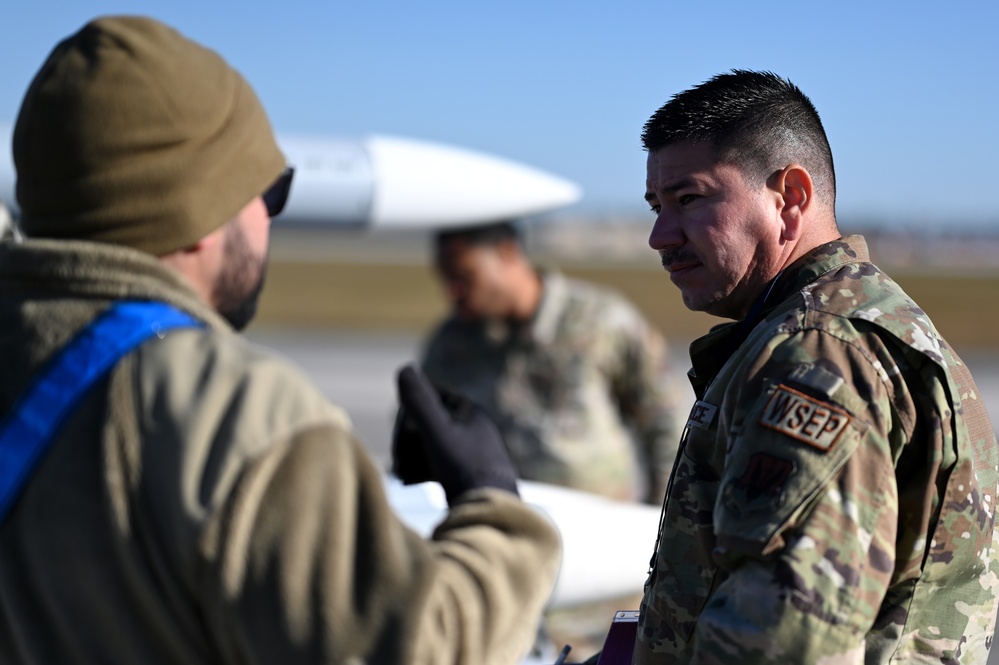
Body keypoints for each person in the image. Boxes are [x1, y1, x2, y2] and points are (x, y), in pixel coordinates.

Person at [0, 16, 559, 665]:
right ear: (200, 212)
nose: (268, 220)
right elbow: (416, 648)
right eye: (269, 192)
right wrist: (492, 505)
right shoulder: (231, 410)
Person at [631, 69, 999, 664]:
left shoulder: (819, 352)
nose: (659, 235)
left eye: (689, 199)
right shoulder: (842, 323)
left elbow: (783, 638)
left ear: (790, 198)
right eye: (656, 205)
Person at [420, 220, 683, 505]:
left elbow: (665, 423)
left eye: (465, 276)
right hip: (496, 527)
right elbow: (422, 438)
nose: (452, 292)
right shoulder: (450, 343)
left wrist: (661, 518)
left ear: (507, 253)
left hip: (597, 528)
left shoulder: (601, 321)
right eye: (446, 279)